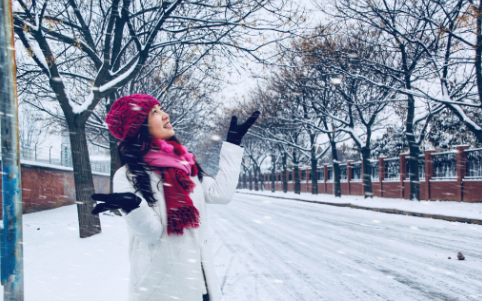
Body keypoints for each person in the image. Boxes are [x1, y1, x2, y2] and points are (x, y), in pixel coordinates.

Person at [91, 94, 259, 301]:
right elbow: (151, 235)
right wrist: (135, 207)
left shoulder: (185, 166)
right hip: (162, 284)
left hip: (200, 280)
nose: (164, 115)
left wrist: (233, 144)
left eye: (161, 109)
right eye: (154, 112)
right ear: (138, 126)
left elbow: (220, 194)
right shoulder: (128, 175)